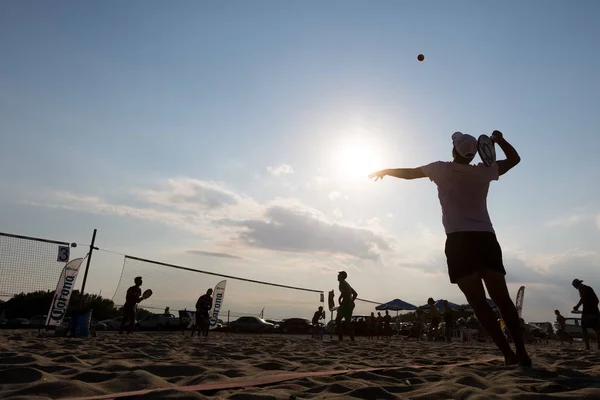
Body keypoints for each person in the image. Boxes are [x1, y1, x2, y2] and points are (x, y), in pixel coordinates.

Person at [370, 130, 531, 366]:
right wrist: (501, 140)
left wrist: (386, 170)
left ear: (454, 150)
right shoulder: (484, 171)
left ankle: (507, 354)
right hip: (486, 238)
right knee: (503, 301)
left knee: (478, 303)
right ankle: (522, 353)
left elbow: (410, 174)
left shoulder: (441, 169)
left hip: (458, 241)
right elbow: (515, 159)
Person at [572, 279, 600, 350]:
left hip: (587, 312)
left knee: (584, 328)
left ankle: (587, 347)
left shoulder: (582, 289)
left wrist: (577, 306)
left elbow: (583, 299)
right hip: (596, 311)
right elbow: (597, 301)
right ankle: (599, 347)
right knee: (597, 330)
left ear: (576, 285)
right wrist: (594, 308)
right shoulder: (589, 288)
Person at [336, 271, 357, 341]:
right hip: (350, 304)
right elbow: (355, 294)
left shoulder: (342, 283)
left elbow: (345, 293)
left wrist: (342, 300)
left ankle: (340, 337)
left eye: (339, 275)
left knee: (338, 320)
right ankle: (352, 338)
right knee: (347, 323)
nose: (337, 276)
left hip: (346, 303)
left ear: (342, 276)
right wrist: (351, 301)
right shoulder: (347, 284)